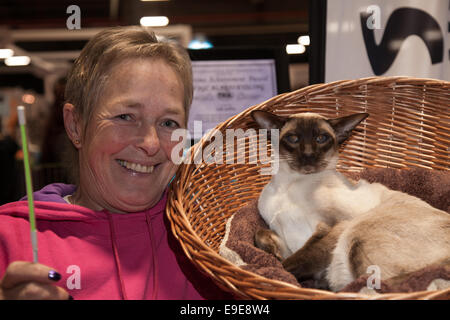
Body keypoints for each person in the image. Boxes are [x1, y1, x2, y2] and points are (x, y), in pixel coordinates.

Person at [0, 26, 231, 300]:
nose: (151, 144)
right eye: (125, 117)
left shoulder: (212, 237)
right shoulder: (10, 240)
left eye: (168, 123)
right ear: (75, 125)